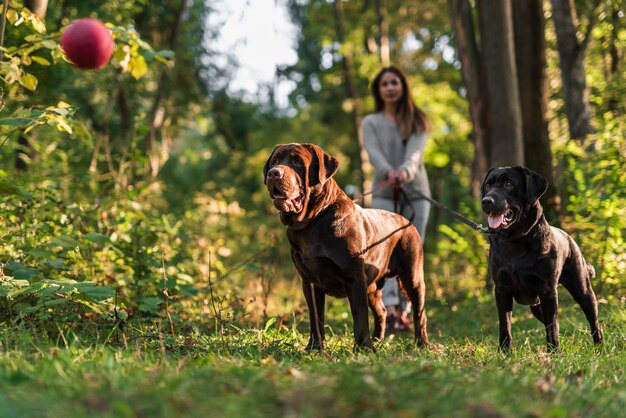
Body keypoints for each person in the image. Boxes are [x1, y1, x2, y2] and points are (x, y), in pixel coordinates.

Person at [361, 65, 431, 334]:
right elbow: (374, 153)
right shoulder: (370, 122)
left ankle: (407, 310)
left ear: (403, 87)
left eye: (395, 83)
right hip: (382, 192)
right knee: (383, 250)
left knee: (412, 252)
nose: (390, 87)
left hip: (416, 192)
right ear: (379, 90)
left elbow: (416, 153)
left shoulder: (417, 119)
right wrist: (389, 172)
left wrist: (405, 172)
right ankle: (390, 310)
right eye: (385, 84)